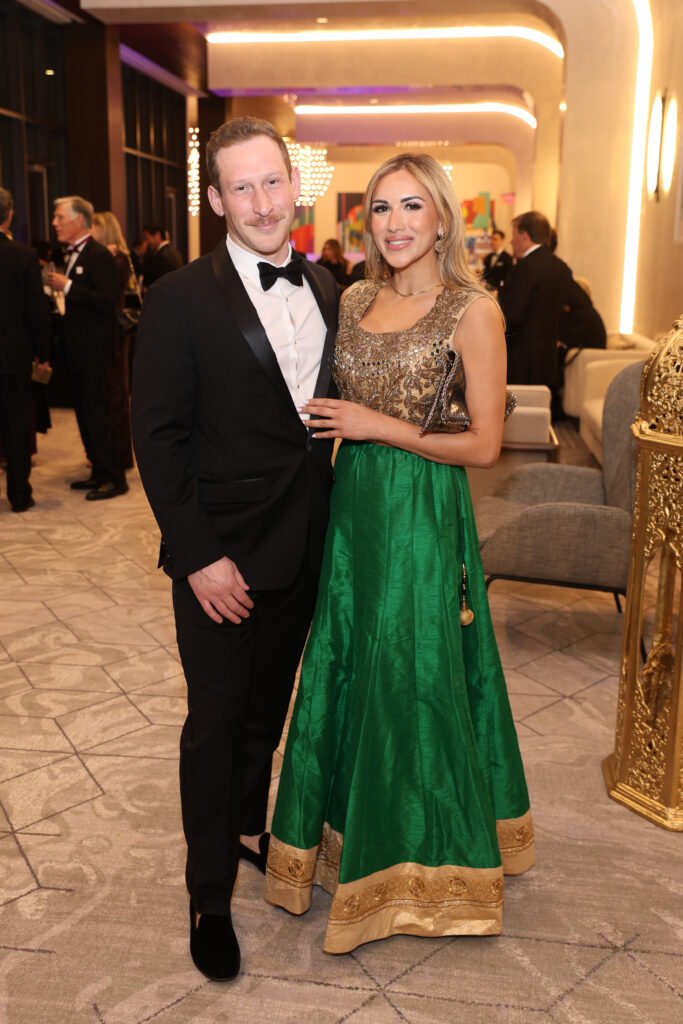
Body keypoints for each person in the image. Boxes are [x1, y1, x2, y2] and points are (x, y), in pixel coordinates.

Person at [264, 153, 534, 953]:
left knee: (412, 673)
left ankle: (425, 866)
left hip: (421, 510)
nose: (395, 223)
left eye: (413, 207)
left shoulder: (472, 309)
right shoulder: (350, 298)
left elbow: (485, 445)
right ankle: (338, 838)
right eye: (381, 208)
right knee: (345, 662)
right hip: (354, 513)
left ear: (444, 218)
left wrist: (372, 426)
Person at [131, 116, 339, 982]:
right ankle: (207, 896)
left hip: (304, 545)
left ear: (296, 187)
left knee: (265, 711)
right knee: (214, 726)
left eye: (273, 182)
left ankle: (248, 832)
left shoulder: (330, 286)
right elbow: (157, 436)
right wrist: (198, 557)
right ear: (214, 198)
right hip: (217, 557)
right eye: (241, 187)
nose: (261, 202)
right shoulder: (180, 296)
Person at [49, 196, 127, 500]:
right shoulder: (70, 253)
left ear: (79, 220)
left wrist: (67, 286)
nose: (54, 223)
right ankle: (98, 471)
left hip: (94, 349)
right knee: (83, 411)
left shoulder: (97, 255)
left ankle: (114, 478)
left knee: (96, 412)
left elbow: (107, 301)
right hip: (76, 349)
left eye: (59, 217)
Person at [0, 188, 51, 512]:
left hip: (12, 355)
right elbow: (37, 311)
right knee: (16, 426)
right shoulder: (23, 256)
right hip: (12, 356)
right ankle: (19, 495)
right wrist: (43, 352)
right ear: (9, 215)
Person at [499, 210, 572, 387]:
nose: (511, 241)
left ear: (525, 236)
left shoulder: (524, 268)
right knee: (540, 411)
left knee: (520, 413)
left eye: (514, 234)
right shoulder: (562, 268)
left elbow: (513, 316)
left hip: (522, 360)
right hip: (547, 360)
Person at [91, 211, 138, 471]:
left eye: (94, 228)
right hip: (109, 331)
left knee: (117, 392)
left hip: (117, 333)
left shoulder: (118, 258)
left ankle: (120, 455)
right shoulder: (110, 256)